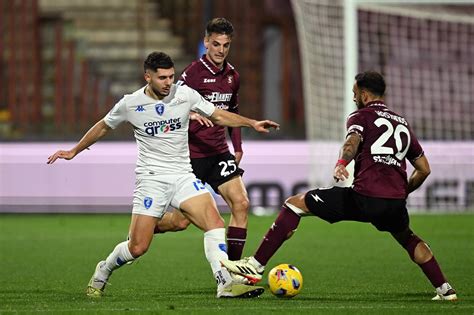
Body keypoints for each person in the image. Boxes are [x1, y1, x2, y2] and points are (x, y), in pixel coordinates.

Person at [47, 51, 279, 298]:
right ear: (147, 77)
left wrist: (251, 123)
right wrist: (74, 151)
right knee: (138, 247)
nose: (169, 83)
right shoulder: (131, 103)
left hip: (183, 175)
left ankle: (224, 283)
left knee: (214, 222)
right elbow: (104, 125)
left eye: (171, 76)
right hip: (151, 178)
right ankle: (104, 269)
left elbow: (218, 114)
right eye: (162, 78)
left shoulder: (184, 94)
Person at [221, 71, 457, 301]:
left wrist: (342, 163)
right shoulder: (402, 123)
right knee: (408, 238)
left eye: (355, 93)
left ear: (364, 95)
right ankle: (445, 289)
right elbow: (424, 168)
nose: (354, 98)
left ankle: (255, 265)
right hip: (395, 202)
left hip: (365, 197)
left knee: (295, 205)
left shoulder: (361, 116)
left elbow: (352, 142)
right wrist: (403, 191)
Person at [153, 18, 250, 262]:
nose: (220, 50)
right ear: (206, 42)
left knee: (241, 203)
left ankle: (234, 270)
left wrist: (237, 147)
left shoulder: (232, 76)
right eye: (216, 44)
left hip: (218, 153)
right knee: (180, 222)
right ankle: (148, 226)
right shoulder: (192, 74)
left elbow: (233, 112)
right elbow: (169, 108)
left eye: (226, 45)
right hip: (191, 157)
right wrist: (193, 114)